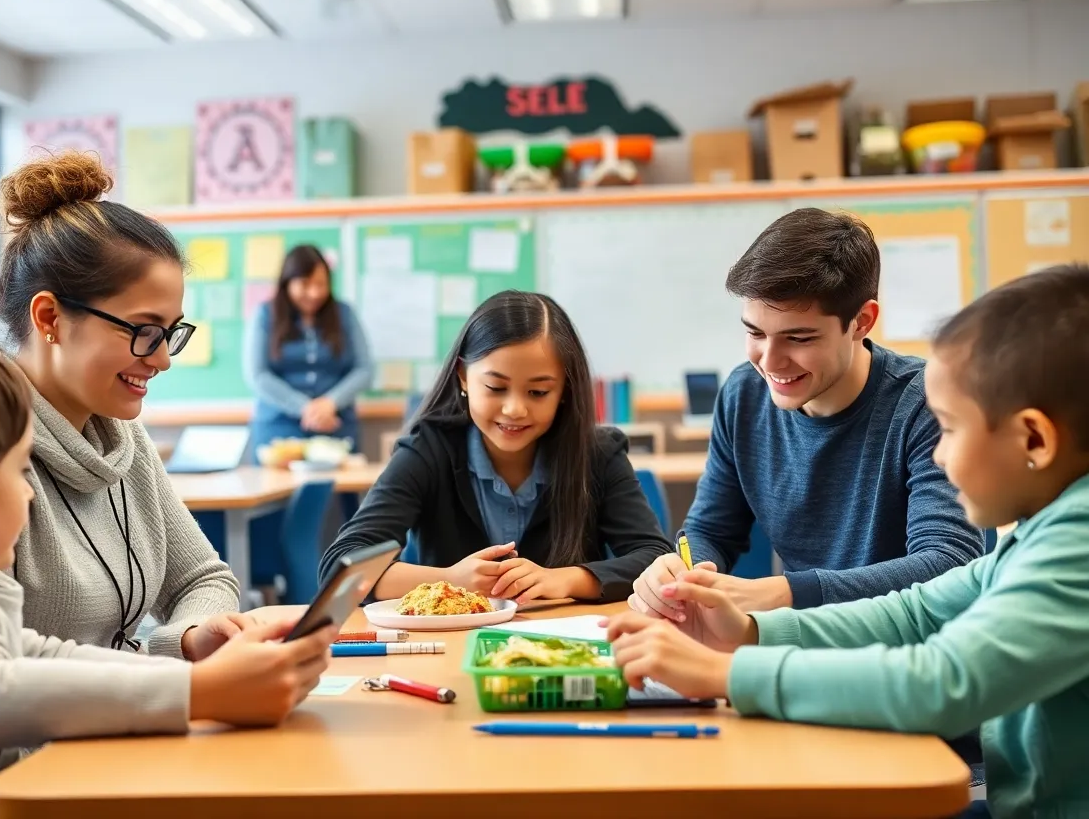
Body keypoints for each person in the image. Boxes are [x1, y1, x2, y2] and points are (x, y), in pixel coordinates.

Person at [605, 264, 1089, 819]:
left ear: (1034, 438)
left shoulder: (1078, 544)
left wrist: (725, 673)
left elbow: (942, 682)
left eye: (951, 429)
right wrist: (751, 630)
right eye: (756, 333)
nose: (938, 453)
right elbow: (915, 614)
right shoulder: (1046, 528)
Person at [0, 319, 336, 819]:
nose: (29, 492)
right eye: (17, 471)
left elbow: (38, 656)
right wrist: (202, 692)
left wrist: (200, 672)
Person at [631, 208, 982, 618]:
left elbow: (947, 564)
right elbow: (711, 529)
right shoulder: (744, 393)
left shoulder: (929, 402)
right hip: (803, 638)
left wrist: (787, 592)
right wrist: (683, 574)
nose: (771, 362)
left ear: (861, 322)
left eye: (799, 338)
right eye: (755, 333)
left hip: (915, 650)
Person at [0, 150, 243, 658]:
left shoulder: (118, 434)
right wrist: (165, 682)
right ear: (50, 319)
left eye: (169, 334)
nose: (162, 360)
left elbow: (203, 578)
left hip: (121, 723)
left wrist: (190, 638)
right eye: (144, 331)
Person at [318, 290, 673, 603]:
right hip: (445, 649)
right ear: (463, 377)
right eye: (496, 387)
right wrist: (450, 580)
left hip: (561, 651)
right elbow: (341, 567)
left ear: (564, 389)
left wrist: (564, 579)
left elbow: (656, 558)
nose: (515, 409)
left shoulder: (598, 453)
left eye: (538, 392)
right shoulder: (428, 450)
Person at [244, 244, 373, 454]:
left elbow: (364, 370)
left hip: (336, 427)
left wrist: (329, 404)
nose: (314, 293)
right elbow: (258, 375)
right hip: (278, 430)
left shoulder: (345, 314)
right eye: (305, 284)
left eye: (321, 284)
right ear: (287, 283)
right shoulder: (265, 315)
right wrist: (307, 408)